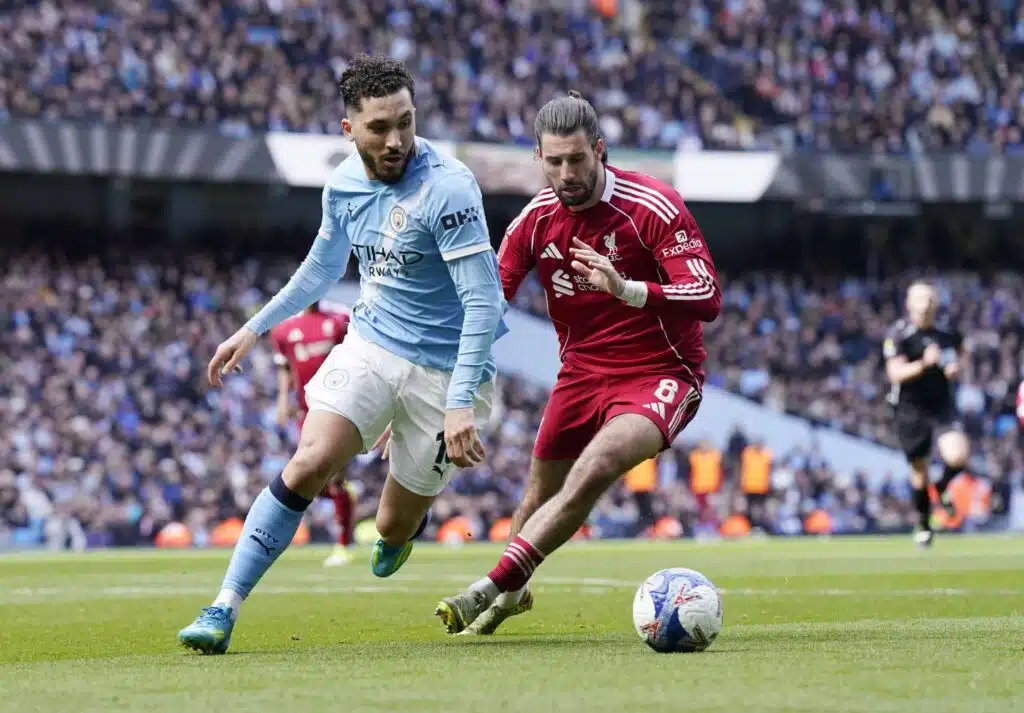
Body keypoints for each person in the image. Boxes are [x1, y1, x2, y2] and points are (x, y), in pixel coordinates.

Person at [177, 54, 507, 654]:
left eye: (405, 122)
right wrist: (255, 328)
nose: (396, 140)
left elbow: (483, 303)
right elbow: (321, 268)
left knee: (391, 526)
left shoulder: (450, 188)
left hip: (446, 371)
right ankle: (223, 606)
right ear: (348, 129)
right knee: (309, 462)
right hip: (373, 344)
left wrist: (460, 402)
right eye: (379, 127)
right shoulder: (344, 186)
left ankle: (401, 529)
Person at [434, 91, 721, 635]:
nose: (566, 174)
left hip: (660, 372)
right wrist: (449, 394)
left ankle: (486, 588)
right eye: (555, 162)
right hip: (580, 376)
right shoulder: (535, 220)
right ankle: (511, 596)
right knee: (535, 500)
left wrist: (627, 289)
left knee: (596, 465)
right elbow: (486, 306)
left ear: (600, 150)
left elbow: (707, 296)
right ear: (538, 158)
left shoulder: (653, 205)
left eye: (577, 159)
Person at [270, 302, 356, 567]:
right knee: (311, 479)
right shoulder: (284, 330)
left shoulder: (339, 320)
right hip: (306, 412)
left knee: (335, 477)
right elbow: (285, 368)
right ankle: (346, 498)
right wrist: (282, 401)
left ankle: (343, 545)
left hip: (338, 407)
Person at [883, 281, 967, 548]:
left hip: (942, 406)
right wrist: (923, 364)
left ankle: (941, 487)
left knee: (958, 456)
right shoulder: (899, 335)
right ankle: (923, 523)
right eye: (919, 300)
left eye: (929, 299)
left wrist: (955, 368)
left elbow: (960, 358)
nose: (925, 305)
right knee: (919, 472)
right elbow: (895, 374)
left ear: (936, 303)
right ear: (909, 304)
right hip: (910, 409)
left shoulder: (948, 333)